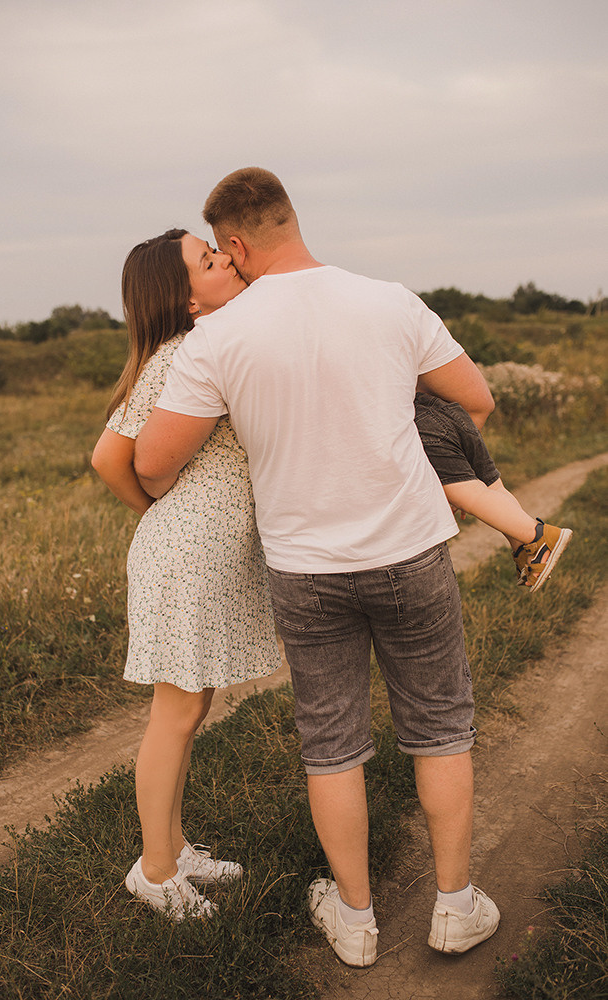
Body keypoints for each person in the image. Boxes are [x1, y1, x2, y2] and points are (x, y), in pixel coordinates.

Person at [134, 167, 501, 966]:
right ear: (288, 220)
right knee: (440, 730)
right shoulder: (389, 300)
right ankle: (453, 908)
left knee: (330, 745)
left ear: (233, 243)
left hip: (303, 567)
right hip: (408, 548)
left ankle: (356, 920)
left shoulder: (219, 338)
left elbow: (154, 465)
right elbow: (474, 400)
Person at [91, 229, 282, 922]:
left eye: (217, 252)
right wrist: (168, 516)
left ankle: (171, 845)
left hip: (202, 551)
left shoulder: (206, 345)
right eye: (207, 260)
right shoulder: (180, 354)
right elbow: (110, 459)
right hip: (185, 554)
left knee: (191, 706)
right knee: (174, 716)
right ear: (184, 298)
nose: (225, 259)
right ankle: (156, 871)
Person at [413, 391, 573, 591]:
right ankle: (524, 549)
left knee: (472, 496)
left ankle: (538, 537)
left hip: (422, 423)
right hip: (455, 413)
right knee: (493, 488)